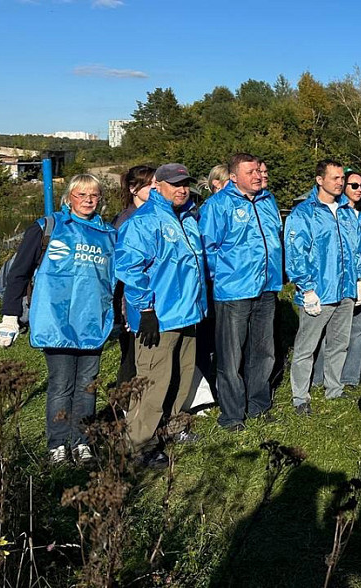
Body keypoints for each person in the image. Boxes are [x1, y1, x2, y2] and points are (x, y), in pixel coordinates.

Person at [0, 174, 117, 466]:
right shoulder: (46, 228)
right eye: (81, 195)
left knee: (87, 384)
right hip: (56, 319)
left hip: (92, 320)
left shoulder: (108, 234)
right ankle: (58, 444)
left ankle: (82, 441)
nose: (88, 200)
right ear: (69, 198)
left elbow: (115, 279)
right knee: (62, 383)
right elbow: (19, 273)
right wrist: (10, 316)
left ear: (100, 199)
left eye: (94, 195)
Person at [115, 163, 207, 468]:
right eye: (175, 184)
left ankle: (172, 427)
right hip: (160, 317)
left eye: (185, 184)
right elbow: (130, 269)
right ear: (158, 186)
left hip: (188, 313)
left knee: (182, 376)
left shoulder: (187, 218)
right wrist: (146, 309)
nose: (182, 189)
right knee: (153, 381)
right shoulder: (144, 222)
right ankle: (141, 443)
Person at [198, 153, 283, 431]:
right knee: (231, 356)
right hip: (233, 290)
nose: (258, 176)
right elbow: (208, 249)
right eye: (251, 172)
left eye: (259, 171)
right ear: (234, 177)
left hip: (266, 287)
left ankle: (258, 405)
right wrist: (220, 280)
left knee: (263, 351)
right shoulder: (218, 205)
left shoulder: (268, 200)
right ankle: (232, 415)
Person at [285, 160, 361, 415]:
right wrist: (306, 288)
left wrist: (360, 278)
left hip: (345, 289)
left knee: (339, 343)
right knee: (306, 347)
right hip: (319, 292)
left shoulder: (346, 211)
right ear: (320, 180)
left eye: (342, 178)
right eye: (335, 178)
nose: (340, 182)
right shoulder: (305, 213)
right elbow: (296, 252)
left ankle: (334, 389)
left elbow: (356, 248)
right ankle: (300, 397)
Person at [317, 170, 361, 387]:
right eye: (353, 185)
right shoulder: (338, 213)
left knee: (359, 329)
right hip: (341, 280)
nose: (358, 189)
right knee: (332, 332)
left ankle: (349, 376)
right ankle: (321, 376)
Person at [113, 165, 155, 387]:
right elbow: (123, 268)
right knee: (130, 353)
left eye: (156, 183)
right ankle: (125, 403)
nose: (153, 188)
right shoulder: (126, 220)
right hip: (129, 297)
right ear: (133, 188)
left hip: (152, 293)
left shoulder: (156, 216)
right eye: (148, 184)